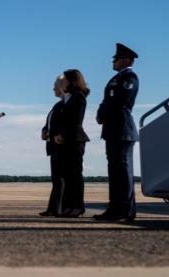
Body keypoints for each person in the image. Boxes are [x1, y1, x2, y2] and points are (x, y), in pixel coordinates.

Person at [94, 43, 140, 221]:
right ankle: (114, 208)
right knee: (114, 172)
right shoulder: (116, 79)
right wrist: (100, 115)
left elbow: (121, 100)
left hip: (122, 128)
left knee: (123, 172)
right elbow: (106, 100)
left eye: (117, 58)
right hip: (112, 129)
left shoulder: (130, 77)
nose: (113, 61)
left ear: (127, 60)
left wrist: (103, 115)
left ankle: (126, 210)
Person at [56, 69, 90, 217]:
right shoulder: (68, 98)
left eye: (65, 79)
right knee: (68, 175)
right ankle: (69, 206)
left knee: (75, 174)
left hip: (75, 139)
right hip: (65, 140)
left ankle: (78, 206)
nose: (62, 81)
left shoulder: (78, 97)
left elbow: (76, 120)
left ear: (72, 80)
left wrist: (63, 135)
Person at [39, 76, 66, 216]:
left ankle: (57, 208)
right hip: (53, 145)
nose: (53, 89)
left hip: (60, 145)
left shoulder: (64, 104)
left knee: (59, 178)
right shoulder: (58, 105)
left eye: (55, 86)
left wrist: (53, 134)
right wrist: (44, 131)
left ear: (62, 87)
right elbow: (50, 123)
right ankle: (53, 208)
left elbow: (63, 123)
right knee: (56, 178)